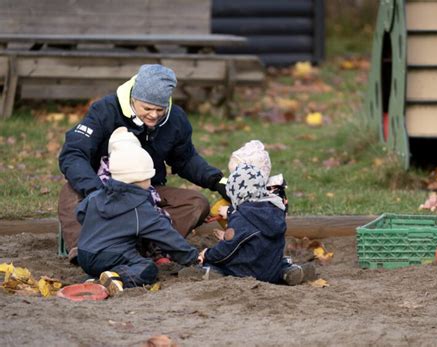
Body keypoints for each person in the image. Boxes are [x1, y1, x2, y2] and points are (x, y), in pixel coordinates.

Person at [58, 64, 227, 264]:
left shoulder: (175, 119)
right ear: (133, 99)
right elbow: (74, 153)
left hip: (147, 190)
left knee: (197, 203)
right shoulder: (104, 110)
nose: (154, 115)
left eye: (160, 109)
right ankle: (85, 249)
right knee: (70, 193)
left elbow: (186, 159)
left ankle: (155, 245)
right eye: (147, 108)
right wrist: (96, 190)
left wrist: (217, 181)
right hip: (103, 186)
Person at [76, 132, 199, 295]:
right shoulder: (139, 208)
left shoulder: (96, 196)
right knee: (147, 268)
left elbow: (81, 213)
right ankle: (118, 278)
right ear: (144, 178)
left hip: (84, 253)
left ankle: (95, 277)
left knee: (115, 257)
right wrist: (192, 257)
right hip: (111, 255)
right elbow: (166, 235)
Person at [179, 163, 317, 285]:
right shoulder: (276, 210)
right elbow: (252, 221)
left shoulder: (240, 219)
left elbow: (227, 250)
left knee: (217, 262)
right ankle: (287, 271)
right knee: (279, 260)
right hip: (271, 271)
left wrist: (207, 254)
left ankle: (210, 272)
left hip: (247, 272)